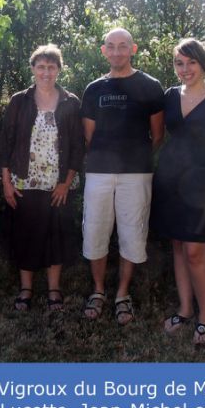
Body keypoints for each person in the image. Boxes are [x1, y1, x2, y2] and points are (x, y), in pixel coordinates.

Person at [152, 38, 205, 343]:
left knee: (195, 252)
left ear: (203, 64)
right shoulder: (169, 96)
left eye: (191, 62)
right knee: (178, 246)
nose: (185, 69)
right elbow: (158, 135)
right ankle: (185, 309)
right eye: (179, 63)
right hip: (170, 179)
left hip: (202, 185)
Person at [81, 28, 165, 325]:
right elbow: (88, 136)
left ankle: (122, 294)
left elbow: (157, 135)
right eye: (111, 46)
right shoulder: (94, 89)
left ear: (133, 49)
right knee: (95, 230)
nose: (117, 51)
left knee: (132, 232)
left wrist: (133, 158)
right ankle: (98, 290)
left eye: (123, 46)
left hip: (136, 173)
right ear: (103, 50)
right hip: (99, 172)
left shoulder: (150, 86)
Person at [0, 44, 84, 312]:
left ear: (59, 70)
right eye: (41, 67)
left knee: (55, 236)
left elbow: (78, 146)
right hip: (24, 182)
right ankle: (26, 289)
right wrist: (6, 182)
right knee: (25, 234)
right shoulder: (19, 101)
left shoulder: (71, 102)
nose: (46, 72)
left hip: (58, 184)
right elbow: (5, 142)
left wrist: (66, 183)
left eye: (51, 67)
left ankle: (53, 289)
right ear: (33, 69)